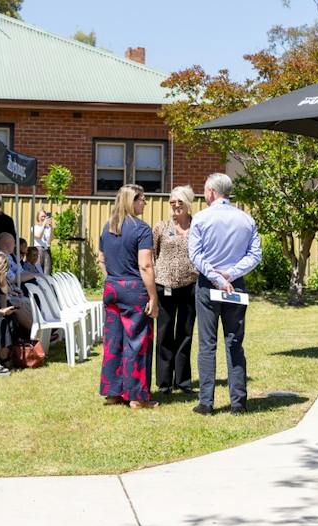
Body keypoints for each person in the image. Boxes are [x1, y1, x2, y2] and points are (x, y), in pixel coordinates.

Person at [187, 173, 261, 415]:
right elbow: (254, 256)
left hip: (209, 285)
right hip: (235, 285)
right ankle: (238, 403)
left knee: (207, 344)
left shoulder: (201, 218)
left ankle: (206, 403)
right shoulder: (246, 219)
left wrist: (218, 278)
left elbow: (196, 256)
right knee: (235, 343)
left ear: (210, 192)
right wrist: (230, 274)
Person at [97, 185, 159, 408]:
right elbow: (145, 265)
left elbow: (101, 258)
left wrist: (111, 278)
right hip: (134, 290)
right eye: (142, 199)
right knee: (137, 342)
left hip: (112, 288)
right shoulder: (142, 229)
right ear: (131, 201)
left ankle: (113, 392)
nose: (144, 203)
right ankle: (136, 397)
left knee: (113, 341)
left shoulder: (108, 227)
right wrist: (153, 297)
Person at [152, 185, 199, 394]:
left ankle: (183, 381)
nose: (176, 205)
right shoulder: (161, 227)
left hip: (190, 285)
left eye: (180, 201)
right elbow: (152, 254)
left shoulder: (198, 226)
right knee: (164, 333)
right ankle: (164, 382)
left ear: (188, 203)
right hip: (165, 286)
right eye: (172, 202)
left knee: (185, 333)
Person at [32, 209, 54, 275]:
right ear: (38, 217)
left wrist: (51, 227)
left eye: (45, 216)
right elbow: (38, 236)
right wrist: (43, 225)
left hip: (47, 250)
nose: (44, 218)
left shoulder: (48, 228)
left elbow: (50, 240)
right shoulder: (35, 227)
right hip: (38, 250)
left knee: (47, 272)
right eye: (42, 216)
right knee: (38, 272)